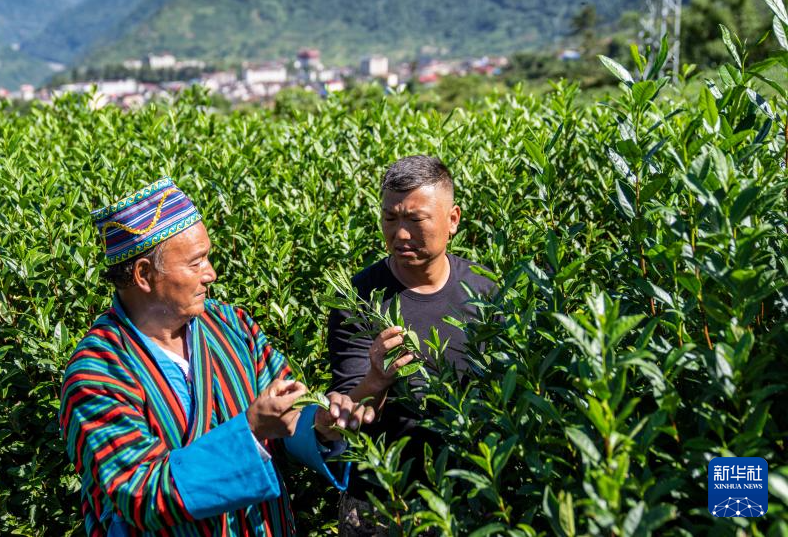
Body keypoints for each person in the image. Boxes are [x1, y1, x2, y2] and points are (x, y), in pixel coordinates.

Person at [60, 177, 374, 536]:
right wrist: (250, 432)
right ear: (144, 274)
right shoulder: (97, 372)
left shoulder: (232, 326)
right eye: (195, 263)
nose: (211, 274)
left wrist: (318, 423)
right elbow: (139, 492)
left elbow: (288, 411)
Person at [327, 156, 497, 536]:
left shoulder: (484, 291)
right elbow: (351, 414)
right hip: (384, 505)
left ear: (452, 219)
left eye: (415, 220)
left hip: (471, 499)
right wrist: (376, 379)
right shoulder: (359, 299)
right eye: (390, 219)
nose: (400, 234)